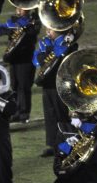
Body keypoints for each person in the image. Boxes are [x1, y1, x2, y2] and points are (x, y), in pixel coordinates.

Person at [32, 27, 79, 157]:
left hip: (60, 85)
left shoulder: (69, 44)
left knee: (61, 116)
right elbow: (36, 59)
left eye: (50, 30)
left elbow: (70, 60)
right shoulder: (47, 43)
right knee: (50, 116)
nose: (47, 32)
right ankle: (53, 145)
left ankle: (67, 144)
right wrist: (47, 51)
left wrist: (59, 50)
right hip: (47, 84)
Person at [0, 7, 41, 123]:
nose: (18, 10)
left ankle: (24, 113)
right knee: (15, 85)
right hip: (14, 59)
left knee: (24, 86)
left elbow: (32, 33)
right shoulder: (13, 21)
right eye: (17, 7)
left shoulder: (34, 21)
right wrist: (7, 31)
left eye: (22, 8)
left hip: (26, 59)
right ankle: (16, 111)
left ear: (28, 9)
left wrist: (24, 29)